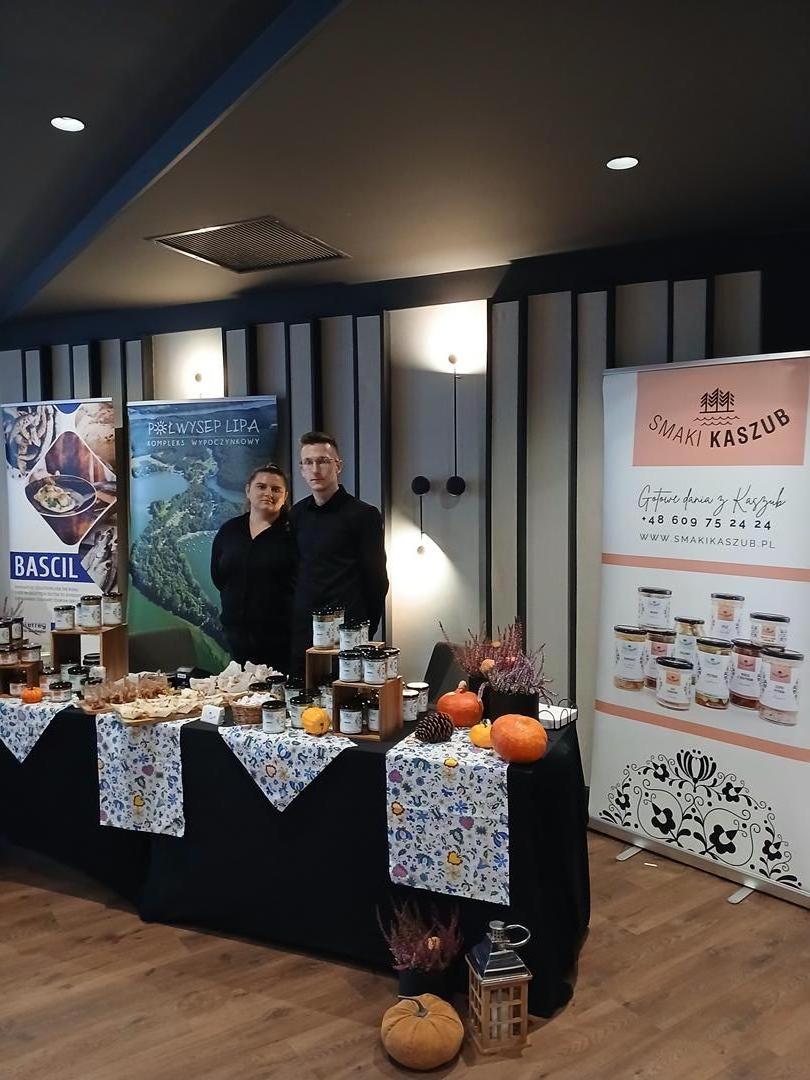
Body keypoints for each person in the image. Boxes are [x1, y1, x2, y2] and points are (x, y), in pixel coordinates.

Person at [289, 431, 388, 673]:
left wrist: (365, 628)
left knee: (345, 694)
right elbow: (293, 571)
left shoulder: (363, 515)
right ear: (301, 469)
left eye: (323, 461)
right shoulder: (297, 514)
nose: (315, 469)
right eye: (308, 462)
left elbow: (377, 579)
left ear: (338, 466)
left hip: (348, 628)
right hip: (304, 628)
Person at [210, 463, 296, 672]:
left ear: (285, 496)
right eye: (261, 486)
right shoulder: (229, 530)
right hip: (236, 635)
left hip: (282, 638)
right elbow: (218, 577)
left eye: (276, 489)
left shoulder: (294, 534)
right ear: (248, 491)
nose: (268, 493)